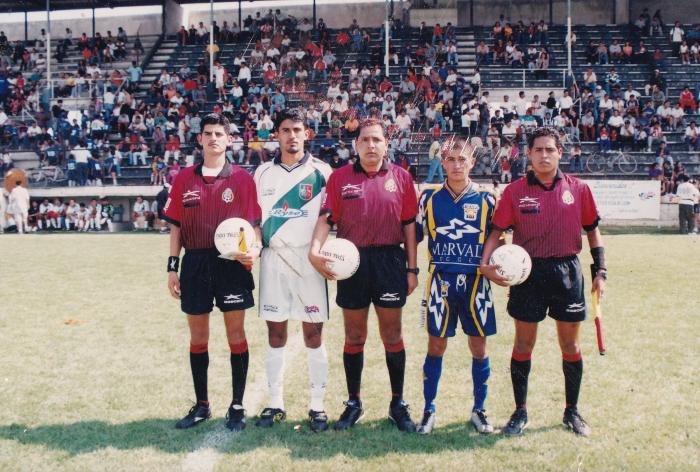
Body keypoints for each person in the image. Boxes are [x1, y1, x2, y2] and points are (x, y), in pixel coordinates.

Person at [480, 127, 607, 437]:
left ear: (560, 153)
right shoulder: (514, 191)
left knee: (570, 344)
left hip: (567, 273)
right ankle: (520, 411)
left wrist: (600, 271)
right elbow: (496, 231)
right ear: (529, 154)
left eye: (550, 149)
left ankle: (571, 411)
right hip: (528, 276)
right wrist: (485, 264)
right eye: (539, 150)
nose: (545, 155)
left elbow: (592, 230)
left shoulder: (579, 189)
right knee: (523, 344)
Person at [308, 118, 419, 432]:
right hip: (351, 263)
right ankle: (354, 402)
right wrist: (314, 250)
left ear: (387, 144)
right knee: (354, 336)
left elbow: (410, 227)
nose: (371, 146)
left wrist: (412, 269)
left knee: (392, 335)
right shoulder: (340, 178)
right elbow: (327, 219)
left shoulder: (402, 178)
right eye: (365, 140)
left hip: (389, 262)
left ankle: (397, 403)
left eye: (377, 140)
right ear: (355, 145)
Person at [163, 113, 263, 432]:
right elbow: (175, 225)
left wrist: (253, 250)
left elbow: (254, 225)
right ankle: (202, 405)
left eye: (219, 133)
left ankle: (236, 405)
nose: (214, 138)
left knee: (236, 335)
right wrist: (172, 267)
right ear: (200, 139)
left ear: (229, 139)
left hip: (231, 263)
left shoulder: (243, 179)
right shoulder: (183, 178)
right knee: (198, 337)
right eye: (208, 133)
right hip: (195, 263)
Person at [253, 109, 334, 432]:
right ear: (277, 134)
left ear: (307, 134)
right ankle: (275, 401)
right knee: (276, 333)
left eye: (297, 129)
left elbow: (328, 217)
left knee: (313, 334)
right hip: (273, 260)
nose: (292, 135)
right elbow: (254, 220)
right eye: (285, 130)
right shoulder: (261, 174)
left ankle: (317, 405)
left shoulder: (322, 172)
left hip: (308, 261)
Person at [414, 136, 499, 435]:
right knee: (436, 345)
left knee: (479, 346)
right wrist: (409, 268)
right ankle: (428, 410)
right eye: (450, 159)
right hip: (440, 284)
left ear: (472, 162)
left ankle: (479, 410)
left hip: (477, 285)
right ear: (442, 162)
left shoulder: (488, 200)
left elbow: (499, 238)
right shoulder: (428, 198)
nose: (456, 165)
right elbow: (413, 235)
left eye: (462, 159)